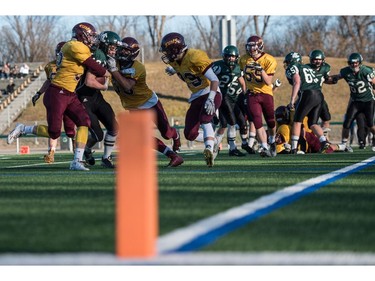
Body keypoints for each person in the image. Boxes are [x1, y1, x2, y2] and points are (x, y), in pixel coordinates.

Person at [7, 22, 111, 171]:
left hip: (70, 93)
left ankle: (77, 161)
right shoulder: (75, 46)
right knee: (54, 132)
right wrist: (108, 71)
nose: (93, 39)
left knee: (84, 122)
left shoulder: (78, 47)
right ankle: (23, 128)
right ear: (82, 35)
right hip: (57, 92)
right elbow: (96, 68)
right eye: (91, 36)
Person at [107, 36, 183, 167]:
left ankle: (175, 135)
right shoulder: (115, 63)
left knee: (166, 133)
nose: (123, 52)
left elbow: (127, 86)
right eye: (122, 49)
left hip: (149, 103)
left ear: (133, 53)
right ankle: (173, 156)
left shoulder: (138, 67)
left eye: (126, 50)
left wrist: (113, 70)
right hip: (134, 107)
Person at [159, 32, 222, 167]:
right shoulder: (175, 61)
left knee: (205, 119)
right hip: (196, 96)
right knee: (189, 134)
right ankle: (214, 140)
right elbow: (184, 68)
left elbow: (214, 80)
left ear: (176, 49)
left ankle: (209, 149)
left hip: (210, 91)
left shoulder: (195, 56)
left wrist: (211, 98)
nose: (167, 55)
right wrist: (174, 70)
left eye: (168, 51)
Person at [76, 30, 120, 169]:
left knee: (114, 127)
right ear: (106, 45)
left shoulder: (104, 56)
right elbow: (89, 81)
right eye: (112, 47)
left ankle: (106, 158)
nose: (114, 50)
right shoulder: (99, 55)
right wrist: (105, 85)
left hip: (95, 96)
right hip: (84, 97)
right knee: (97, 134)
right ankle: (84, 151)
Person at [31, 41, 76, 164]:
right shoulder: (51, 65)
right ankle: (51, 152)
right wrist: (39, 93)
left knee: (70, 130)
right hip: (56, 98)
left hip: (70, 98)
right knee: (54, 128)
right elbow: (50, 80)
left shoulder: (73, 65)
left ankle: (79, 155)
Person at [283, 51, 330, 154]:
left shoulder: (294, 67)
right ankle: (323, 141)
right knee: (313, 123)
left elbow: (297, 82)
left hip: (307, 94)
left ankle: (294, 148)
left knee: (297, 121)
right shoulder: (308, 67)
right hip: (319, 95)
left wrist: (292, 99)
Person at [239, 35, 277, 157]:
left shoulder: (269, 60)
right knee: (257, 121)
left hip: (266, 93)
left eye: (254, 47)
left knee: (270, 121)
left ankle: (272, 140)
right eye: (249, 46)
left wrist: (261, 70)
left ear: (260, 46)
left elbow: (268, 82)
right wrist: (244, 89)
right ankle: (264, 147)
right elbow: (239, 74)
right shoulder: (244, 59)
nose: (251, 49)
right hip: (252, 94)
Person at [330, 52, 375, 151]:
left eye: (356, 63)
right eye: (351, 63)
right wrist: (329, 79)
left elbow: (374, 82)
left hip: (368, 101)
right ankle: (343, 144)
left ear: (360, 62)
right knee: (346, 123)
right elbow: (337, 77)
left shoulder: (366, 71)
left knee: (370, 124)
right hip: (355, 101)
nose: (354, 65)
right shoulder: (346, 71)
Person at [211, 45, 247, 157]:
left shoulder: (237, 68)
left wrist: (244, 93)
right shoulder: (218, 66)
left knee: (224, 124)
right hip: (218, 95)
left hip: (227, 96)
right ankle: (229, 148)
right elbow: (207, 77)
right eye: (228, 56)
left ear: (236, 57)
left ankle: (217, 146)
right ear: (224, 56)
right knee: (230, 122)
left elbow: (242, 81)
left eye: (232, 57)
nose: (230, 59)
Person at [274, 105, 347, 154]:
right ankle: (287, 147)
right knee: (283, 129)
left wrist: (300, 146)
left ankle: (341, 146)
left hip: (307, 135)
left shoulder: (295, 116)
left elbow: (302, 131)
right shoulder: (281, 125)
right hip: (295, 137)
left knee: (326, 149)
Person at [306, 50, 336, 138]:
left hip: (318, 97)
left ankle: (325, 139)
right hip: (306, 97)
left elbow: (324, 79)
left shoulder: (325, 68)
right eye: (315, 59)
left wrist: (332, 80)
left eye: (319, 59)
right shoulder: (305, 68)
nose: (317, 61)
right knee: (308, 122)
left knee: (326, 119)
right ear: (311, 59)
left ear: (323, 60)